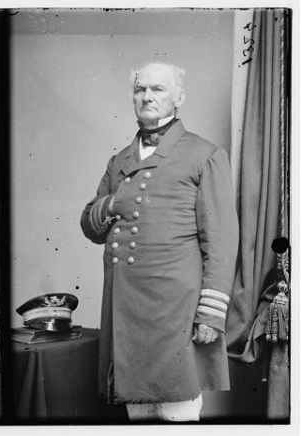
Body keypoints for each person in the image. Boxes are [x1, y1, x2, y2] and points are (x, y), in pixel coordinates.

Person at [80, 62, 239, 422]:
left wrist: (211, 315)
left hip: (176, 313)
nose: (147, 96)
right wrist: (111, 204)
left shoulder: (205, 154)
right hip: (127, 312)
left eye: (158, 89)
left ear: (179, 98)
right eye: (140, 89)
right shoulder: (119, 161)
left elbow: (222, 242)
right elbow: (90, 227)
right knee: (138, 415)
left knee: (178, 413)